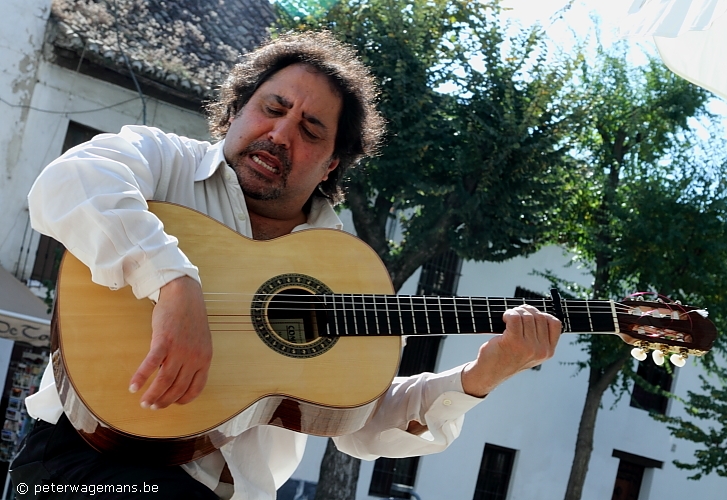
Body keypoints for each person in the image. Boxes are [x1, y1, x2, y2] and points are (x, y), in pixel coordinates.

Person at [10, 31, 561, 499]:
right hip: (83, 460)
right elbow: (67, 183)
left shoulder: (337, 260)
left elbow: (357, 415)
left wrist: (484, 375)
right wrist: (174, 284)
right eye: (273, 109)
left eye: (310, 130)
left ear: (330, 166)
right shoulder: (164, 162)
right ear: (235, 111)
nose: (280, 134)